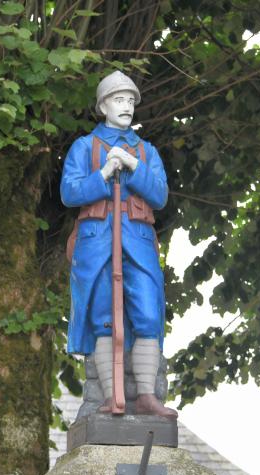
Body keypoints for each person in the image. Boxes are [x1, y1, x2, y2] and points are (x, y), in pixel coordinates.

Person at [61, 70, 177, 419]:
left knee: (149, 315)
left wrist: (132, 165)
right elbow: (70, 192)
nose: (126, 106)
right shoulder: (84, 147)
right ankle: (109, 399)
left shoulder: (146, 151)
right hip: (97, 245)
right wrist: (103, 175)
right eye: (119, 100)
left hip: (138, 244)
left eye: (130, 100)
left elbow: (158, 194)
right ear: (103, 106)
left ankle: (145, 395)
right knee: (103, 320)